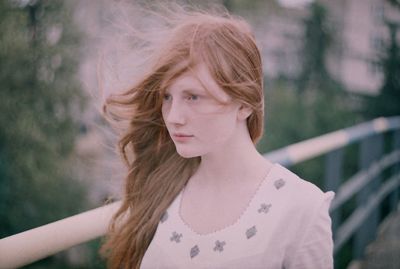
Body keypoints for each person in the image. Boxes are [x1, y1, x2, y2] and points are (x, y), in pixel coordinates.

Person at [100, 4, 335, 269]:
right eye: (167, 97)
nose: (173, 116)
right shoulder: (163, 187)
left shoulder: (301, 208)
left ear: (245, 104)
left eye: (193, 97)